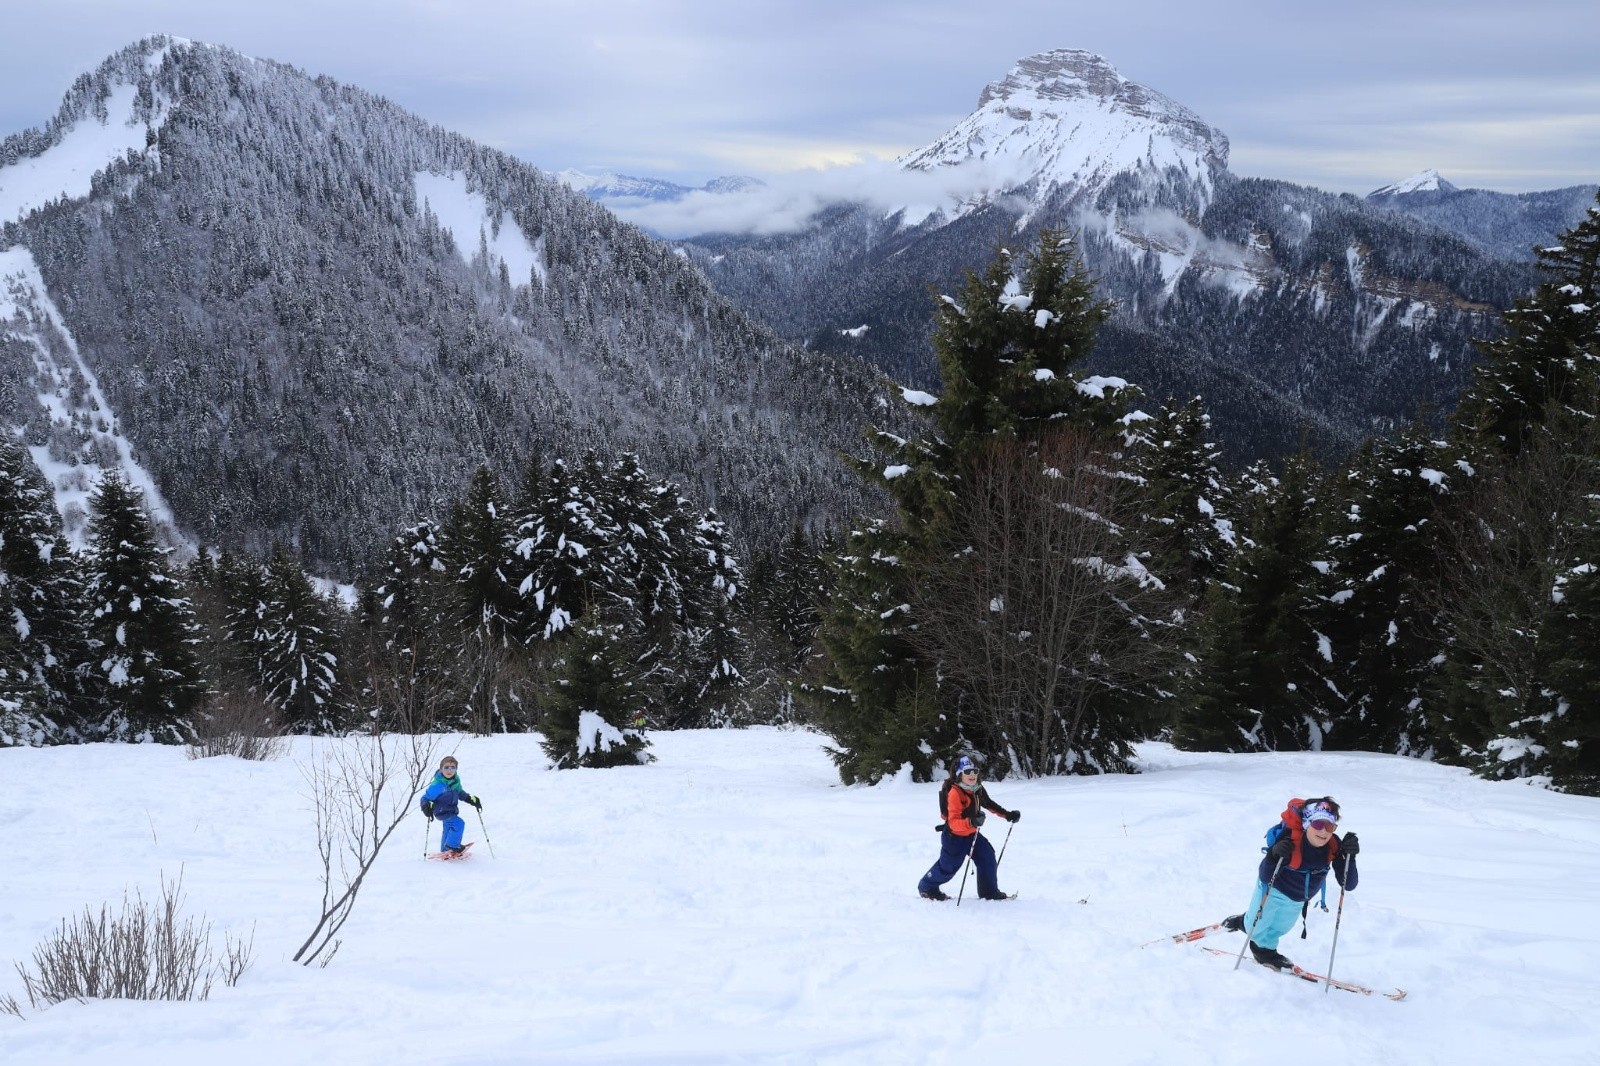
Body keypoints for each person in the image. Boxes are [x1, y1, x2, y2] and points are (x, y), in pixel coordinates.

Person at [1223, 797, 1360, 969]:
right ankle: (1247, 924)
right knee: (1256, 927)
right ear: (1306, 823)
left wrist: (1350, 857)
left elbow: (1348, 884)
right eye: (1318, 824)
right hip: (1273, 891)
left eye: (1330, 826)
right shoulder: (1291, 841)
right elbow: (1265, 876)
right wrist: (1273, 854)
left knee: (1280, 928)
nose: (1324, 832)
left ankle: (1265, 950)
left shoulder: (1333, 845)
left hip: (1298, 899)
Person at [917, 755, 1021, 902]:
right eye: (967, 772)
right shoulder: (955, 793)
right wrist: (971, 822)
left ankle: (989, 892)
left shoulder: (977, 788)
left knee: (987, 857)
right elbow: (953, 823)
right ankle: (926, 887)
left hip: (972, 834)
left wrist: (1007, 815)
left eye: (974, 771)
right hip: (954, 837)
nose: (972, 775)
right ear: (960, 774)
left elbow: (989, 803)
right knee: (948, 868)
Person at [419, 755, 483, 857]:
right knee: (459, 824)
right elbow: (425, 798)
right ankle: (453, 845)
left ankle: (445, 850)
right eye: (446, 767)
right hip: (442, 811)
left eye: (453, 767)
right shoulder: (438, 785)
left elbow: (460, 793)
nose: (449, 770)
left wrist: (470, 799)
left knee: (448, 829)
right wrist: (425, 806)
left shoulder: (455, 781)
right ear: (441, 769)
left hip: (451, 810)